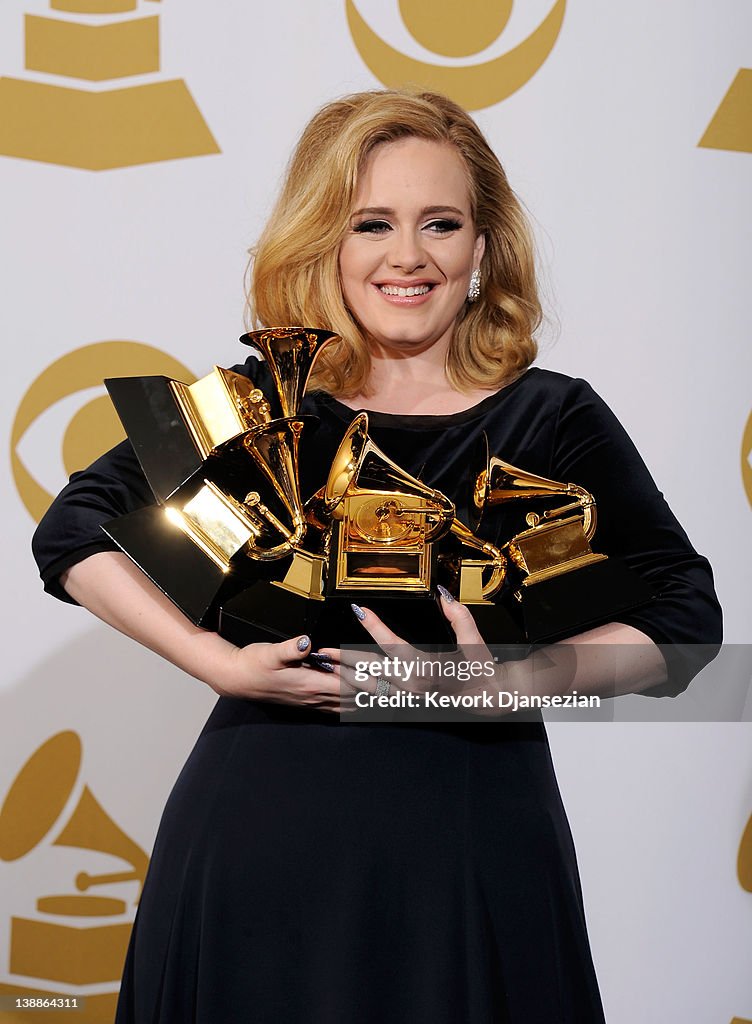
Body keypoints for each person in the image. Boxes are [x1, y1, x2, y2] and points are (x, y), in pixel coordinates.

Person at [32, 89, 722, 1023]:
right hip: (258, 847)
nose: (409, 257)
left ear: (482, 249)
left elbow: (685, 620)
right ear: (329, 242)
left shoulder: (550, 416)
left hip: (474, 854)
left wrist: (511, 686)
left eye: (441, 223)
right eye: (373, 224)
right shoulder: (259, 403)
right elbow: (76, 525)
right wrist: (220, 665)